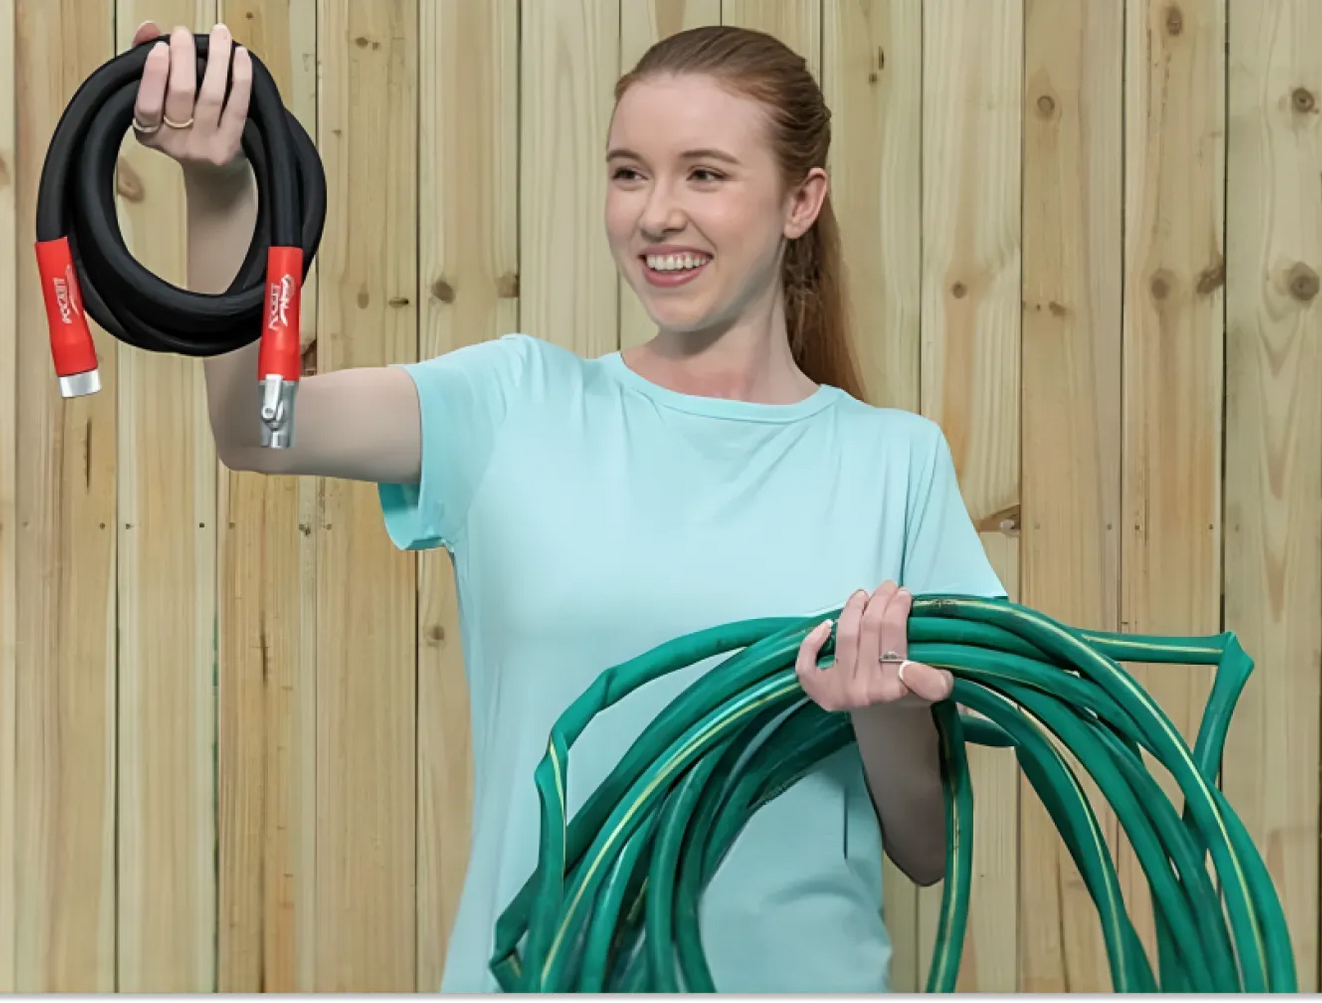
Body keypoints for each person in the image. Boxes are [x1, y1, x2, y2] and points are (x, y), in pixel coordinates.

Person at [128, 20, 1005, 994]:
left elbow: (925, 846)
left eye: (704, 175)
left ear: (801, 200)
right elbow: (260, 425)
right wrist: (222, 189)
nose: (657, 214)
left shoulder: (893, 461)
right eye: (629, 174)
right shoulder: (516, 404)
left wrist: (886, 710)